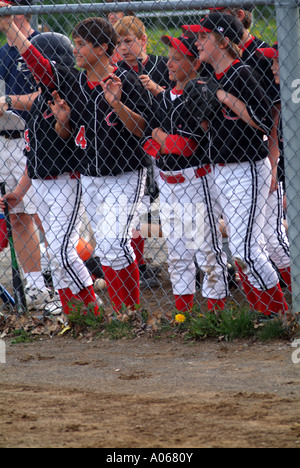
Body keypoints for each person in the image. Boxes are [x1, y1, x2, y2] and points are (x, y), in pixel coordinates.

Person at [13, 16, 150, 313]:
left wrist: (116, 104)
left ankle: (129, 311)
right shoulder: (76, 83)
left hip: (124, 172)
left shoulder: (124, 80)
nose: (76, 50)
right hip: (91, 176)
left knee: (115, 246)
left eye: (82, 44)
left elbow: (142, 129)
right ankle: (102, 313)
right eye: (74, 44)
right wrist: (62, 122)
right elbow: (69, 131)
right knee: (106, 248)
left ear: (102, 48)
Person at [105, 33, 230, 312]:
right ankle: (183, 314)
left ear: (194, 63)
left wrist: (160, 137)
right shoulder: (163, 99)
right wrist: (162, 139)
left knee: (207, 252)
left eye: (177, 59)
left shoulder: (199, 93)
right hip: (168, 184)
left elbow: (184, 147)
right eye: (170, 58)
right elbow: (150, 143)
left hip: (196, 182)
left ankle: (216, 314)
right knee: (177, 254)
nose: (170, 64)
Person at [187, 12, 288, 318]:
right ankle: (269, 314)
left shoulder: (240, 74)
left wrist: (225, 98)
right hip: (221, 169)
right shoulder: (212, 77)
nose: (197, 42)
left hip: (247, 168)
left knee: (246, 250)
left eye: (204, 37)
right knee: (244, 248)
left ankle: (280, 314)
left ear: (224, 41)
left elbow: (262, 120)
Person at [0, 13, 101, 316]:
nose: (30, 71)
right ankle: (71, 306)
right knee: (58, 253)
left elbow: (41, 66)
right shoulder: (42, 101)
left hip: (65, 183)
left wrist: (8, 28)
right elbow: (34, 158)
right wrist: (19, 191)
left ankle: (94, 308)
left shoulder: (66, 93)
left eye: (36, 66)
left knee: (60, 250)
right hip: (42, 184)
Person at [113, 15, 172, 288]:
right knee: (140, 210)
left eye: (129, 41)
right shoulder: (117, 73)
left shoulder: (163, 65)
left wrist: (156, 89)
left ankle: (195, 265)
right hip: (137, 149)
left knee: (179, 208)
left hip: (170, 147)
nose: (123, 48)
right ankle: (137, 266)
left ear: (143, 40)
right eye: (119, 43)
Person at [0, 0, 50, 310]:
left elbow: (47, 94)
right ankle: (36, 285)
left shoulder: (41, 44)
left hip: (28, 139)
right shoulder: (1, 52)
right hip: (1, 143)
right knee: (17, 218)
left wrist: (8, 102)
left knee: (33, 215)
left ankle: (47, 282)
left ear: (19, 13)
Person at [256, 42, 291, 292]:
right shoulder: (278, 93)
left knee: (274, 238)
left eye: (279, 62)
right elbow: (274, 136)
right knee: (271, 238)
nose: (273, 67)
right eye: (273, 61)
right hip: (284, 170)